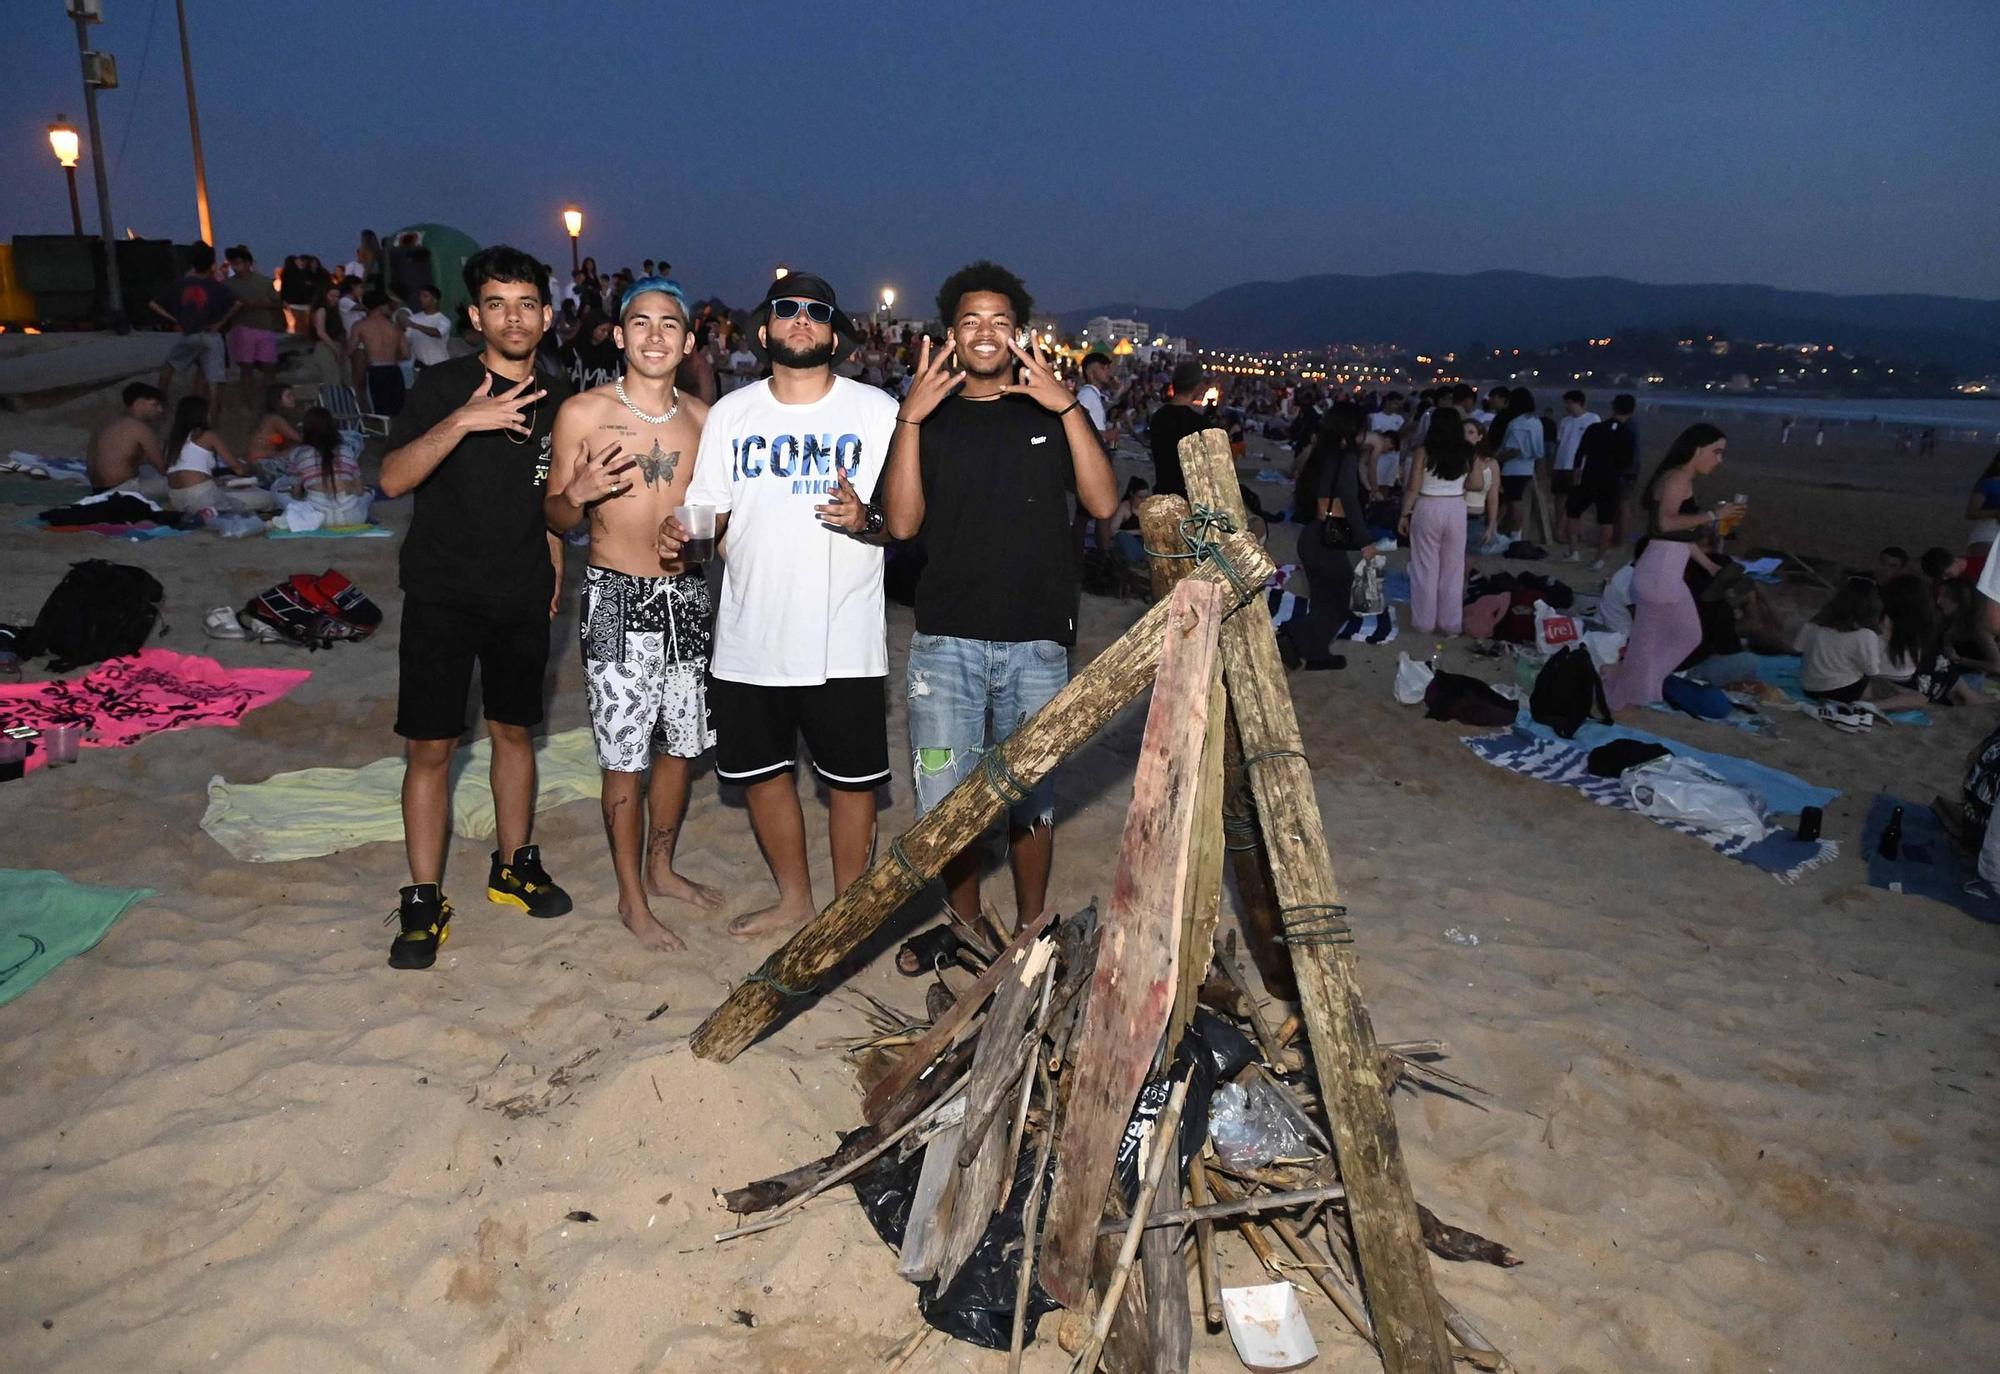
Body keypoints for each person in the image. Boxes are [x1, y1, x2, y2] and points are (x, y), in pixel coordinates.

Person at [878, 261, 1117, 932]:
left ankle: (1031, 926)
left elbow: (1101, 501)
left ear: (1019, 334)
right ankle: (965, 925)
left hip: (1038, 637)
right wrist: (910, 419)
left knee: (1031, 798)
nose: (985, 332)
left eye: (1000, 322)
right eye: (971, 321)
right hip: (946, 638)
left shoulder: (1046, 413)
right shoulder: (931, 419)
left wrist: (1066, 404)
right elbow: (900, 525)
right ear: (951, 334)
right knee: (951, 803)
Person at [683, 272, 898, 939]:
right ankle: (796, 899)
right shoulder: (730, 414)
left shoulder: (878, 411)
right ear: (766, 328)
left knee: (850, 782)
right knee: (762, 773)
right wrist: (682, 536)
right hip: (750, 630)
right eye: (786, 310)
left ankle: (848, 912)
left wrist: (869, 518)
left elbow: (907, 518)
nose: (800, 320)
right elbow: (705, 516)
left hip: (845, 635)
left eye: (815, 312)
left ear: (834, 334)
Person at [376, 245, 573, 971]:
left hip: (521, 592)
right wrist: (464, 420)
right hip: (442, 591)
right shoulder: (441, 385)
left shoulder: (562, 399)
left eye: (525, 303)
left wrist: (555, 565)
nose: (512, 317)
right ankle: (423, 897)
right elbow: (393, 479)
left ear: (546, 316)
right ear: (474, 315)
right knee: (431, 747)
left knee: (515, 733)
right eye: (497, 304)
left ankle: (513, 865)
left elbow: (552, 502)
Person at [544, 277, 722, 952]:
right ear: (619, 336)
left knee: (680, 747)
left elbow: (718, 525)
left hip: (687, 597)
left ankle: (662, 867)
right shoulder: (583, 414)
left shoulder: (706, 420)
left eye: (669, 325)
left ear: (688, 340)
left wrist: (700, 541)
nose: (654, 336)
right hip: (617, 596)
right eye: (640, 324)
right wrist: (577, 495)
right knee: (625, 757)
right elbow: (555, 515)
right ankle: (630, 897)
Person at [1603, 425, 1743, 711]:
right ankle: (1622, 697)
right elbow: (1665, 524)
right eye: (1716, 452)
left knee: (1687, 635)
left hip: (1667, 571)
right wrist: (1714, 515)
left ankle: (1634, 684)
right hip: (1659, 572)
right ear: (1698, 449)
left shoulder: (1682, 479)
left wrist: (1708, 565)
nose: (1719, 460)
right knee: (1647, 643)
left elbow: (1680, 536)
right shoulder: (1677, 478)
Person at [1278, 401, 1378, 671]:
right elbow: (1348, 498)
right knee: (1339, 600)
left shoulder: (1323, 453)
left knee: (1324, 599)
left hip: (1313, 534)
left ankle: (1316, 652)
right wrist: (1365, 540)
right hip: (1326, 538)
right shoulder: (1345, 457)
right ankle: (1292, 637)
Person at [1795, 578, 1926, 710]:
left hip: (1808, 688)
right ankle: (1868, 707)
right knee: (1918, 699)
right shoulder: (1865, 634)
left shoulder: (1813, 624)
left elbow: (1797, 648)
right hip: (1845, 691)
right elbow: (1872, 670)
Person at [1397, 405, 1472, 635]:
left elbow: (1413, 486)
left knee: (1425, 566)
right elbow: (1474, 483)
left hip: (1428, 505)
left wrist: (1404, 513)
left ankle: (1424, 622)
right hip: (1457, 506)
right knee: (1453, 568)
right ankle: (1450, 623)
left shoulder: (1424, 451)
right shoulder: (1468, 450)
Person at [147, 242, 234, 412]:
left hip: (190, 334)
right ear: (211, 264)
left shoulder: (180, 284)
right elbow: (237, 303)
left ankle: (160, 404)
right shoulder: (217, 287)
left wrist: (174, 318)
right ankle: (213, 416)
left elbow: (153, 304)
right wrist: (221, 322)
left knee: (169, 367)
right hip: (211, 335)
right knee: (214, 380)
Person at [162, 394, 275, 515]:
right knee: (268, 498)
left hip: (177, 499)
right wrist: (254, 468)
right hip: (200, 498)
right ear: (202, 414)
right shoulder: (207, 436)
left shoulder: (172, 440)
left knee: (226, 481)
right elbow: (240, 470)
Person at [1879, 573, 1977, 706]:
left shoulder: (1894, 619)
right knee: (1941, 663)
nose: (1938, 601)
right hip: (1910, 676)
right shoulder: (1912, 621)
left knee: (1941, 663)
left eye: (1944, 596)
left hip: (1913, 672)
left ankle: (1968, 697)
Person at [1565, 393, 1637, 570]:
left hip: (1588, 478)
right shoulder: (1627, 433)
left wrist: (1576, 474)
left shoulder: (1595, 428)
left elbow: (1581, 452)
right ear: (1632, 411)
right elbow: (1628, 462)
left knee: (1573, 512)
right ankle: (1599, 559)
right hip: (1610, 481)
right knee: (1606, 521)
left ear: (1613, 407)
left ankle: (1574, 550)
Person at [281, 404, 372, 526]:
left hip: (317, 518)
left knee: (279, 491)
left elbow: (296, 492)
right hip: (351, 516)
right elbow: (360, 490)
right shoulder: (346, 451)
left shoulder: (299, 454)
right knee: (368, 494)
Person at [222, 246, 286, 412]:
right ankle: (247, 403)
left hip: (264, 328)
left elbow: (278, 303)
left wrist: (261, 304)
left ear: (248, 263)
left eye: (238, 263)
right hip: (242, 328)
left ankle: (270, 403)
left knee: (269, 368)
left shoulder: (264, 282)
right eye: (233, 264)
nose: (236, 267)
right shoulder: (227, 285)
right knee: (246, 368)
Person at [85, 382, 169, 495]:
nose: (160, 410)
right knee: (177, 483)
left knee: (148, 469)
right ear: (140, 403)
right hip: (122, 490)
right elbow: (163, 469)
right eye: (155, 404)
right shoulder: (139, 428)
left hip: (97, 488)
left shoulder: (106, 423)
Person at [1148, 360, 1210, 499]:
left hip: (1163, 492)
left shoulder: (1158, 416)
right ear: (1197, 387)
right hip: (1189, 498)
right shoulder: (1199, 424)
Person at [1552, 390, 1600, 559]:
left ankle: (1569, 530)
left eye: (1569, 403)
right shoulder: (1564, 421)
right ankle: (1563, 529)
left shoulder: (1592, 419)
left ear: (1578, 403)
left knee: (1575, 500)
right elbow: (1559, 443)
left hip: (1579, 466)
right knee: (1560, 498)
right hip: (1561, 464)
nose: (1566, 407)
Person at [1492, 387, 1542, 542]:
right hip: (1528, 467)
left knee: (1513, 503)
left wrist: (1497, 458)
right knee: (1513, 501)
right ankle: (1502, 530)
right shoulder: (1536, 422)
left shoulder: (1517, 423)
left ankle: (1514, 535)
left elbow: (1514, 450)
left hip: (1513, 468)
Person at [350, 290, 410, 416]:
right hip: (394, 370)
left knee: (380, 412)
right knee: (398, 411)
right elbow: (406, 354)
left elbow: (350, 349)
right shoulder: (395, 327)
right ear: (382, 305)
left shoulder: (360, 326)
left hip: (376, 371)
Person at [245, 383, 303, 481]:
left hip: (258, 462)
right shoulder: (275, 419)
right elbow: (300, 439)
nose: (293, 398)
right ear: (278, 400)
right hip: (263, 463)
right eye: (289, 396)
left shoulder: (269, 418)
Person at [1461, 414, 1502, 552]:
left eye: (1471, 432)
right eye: (1463, 432)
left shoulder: (1490, 463)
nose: (1466, 436)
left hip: (1476, 516)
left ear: (1480, 437)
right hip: (1455, 515)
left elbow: (1493, 495)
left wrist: (1492, 524)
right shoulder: (1455, 461)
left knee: (1471, 557)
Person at [559, 308, 621, 393]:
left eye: (608, 331)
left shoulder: (612, 351)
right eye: (603, 330)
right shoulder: (572, 349)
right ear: (591, 327)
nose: (606, 334)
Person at [403, 285, 455, 370]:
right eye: (420, 295)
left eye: (425, 296)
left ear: (435, 300)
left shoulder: (443, 320)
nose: (421, 299)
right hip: (420, 368)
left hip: (440, 366)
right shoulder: (413, 318)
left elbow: (437, 333)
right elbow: (406, 340)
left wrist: (414, 325)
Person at [311, 282, 348, 385]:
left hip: (336, 344)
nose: (335, 299)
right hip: (326, 346)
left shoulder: (334, 311)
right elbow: (321, 332)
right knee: (332, 378)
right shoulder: (321, 310)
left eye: (337, 296)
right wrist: (334, 348)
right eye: (332, 296)